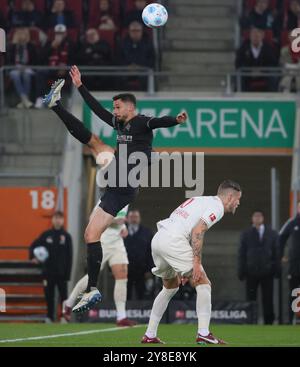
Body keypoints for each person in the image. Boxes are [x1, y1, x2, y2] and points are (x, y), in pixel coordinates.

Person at [42, 67, 187, 314]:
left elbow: (158, 123)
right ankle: (92, 288)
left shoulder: (141, 122)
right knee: (90, 234)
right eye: (115, 108)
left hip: (126, 181)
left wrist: (175, 120)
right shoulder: (118, 124)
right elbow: (97, 110)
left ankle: (56, 105)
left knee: (97, 144)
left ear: (130, 108)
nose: (114, 111)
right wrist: (79, 86)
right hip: (116, 187)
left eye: (118, 107)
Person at [141, 180, 242, 345]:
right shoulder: (217, 207)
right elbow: (198, 230)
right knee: (203, 282)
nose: (238, 203)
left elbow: (186, 225)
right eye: (238, 199)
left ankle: (149, 334)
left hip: (159, 238)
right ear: (230, 196)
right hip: (173, 240)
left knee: (170, 287)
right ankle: (203, 333)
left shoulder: (200, 199)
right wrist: (195, 263)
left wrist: (182, 265)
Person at [63, 201, 137, 326]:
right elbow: (93, 218)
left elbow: (120, 219)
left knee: (122, 277)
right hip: (103, 242)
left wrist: (123, 228)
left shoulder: (126, 199)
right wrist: (115, 221)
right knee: (92, 276)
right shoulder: (107, 198)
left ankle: (121, 317)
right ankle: (69, 303)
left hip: (117, 243)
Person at [238, 210, 280, 325]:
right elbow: (241, 253)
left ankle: (269, 322)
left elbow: (276, 252)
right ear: (252, 218)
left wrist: (277, 270)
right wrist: (241, 271)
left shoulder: (272, 233)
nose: (257, 218)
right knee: (251, 299)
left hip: (267, 272)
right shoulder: (246, 234)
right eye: (255, 216)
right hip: (251, 272)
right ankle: (251, 321)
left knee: (268, 299)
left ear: (263, 218)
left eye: (259, 216)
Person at [29, 211, 73, 322]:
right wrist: (32, 257)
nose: (58, 220)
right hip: (48, 272)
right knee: (49, 296)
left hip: (62, 273)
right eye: (56, 218)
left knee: (63, 297)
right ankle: (49, 317)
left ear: (63, 220)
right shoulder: (46, 235)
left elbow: (70, 256)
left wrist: (67, 274)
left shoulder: (66, 237)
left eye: (60, 218)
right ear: (52, 220)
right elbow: (33, 246)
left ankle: (64, 317)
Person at [35, 24, 74, 108]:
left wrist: (66, 67)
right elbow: (40, 58)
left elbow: (75, 57)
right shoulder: (49, 43)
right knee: (40, 72)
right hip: (51, 68)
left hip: (66, 69)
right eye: (58, 33)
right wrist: (51, 47)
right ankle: (39, 98)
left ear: (65, 33)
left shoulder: (70, 43)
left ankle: (71, 99)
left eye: (62, 33)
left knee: (74, 74)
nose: (60, 35)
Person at [235, 26, 278, 91]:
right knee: (238, 76)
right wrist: (250, 71)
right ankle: (241, 97)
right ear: (250, 36)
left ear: (262, 36)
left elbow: (273, 63)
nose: (255, 37)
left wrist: (262, 71)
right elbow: (238, 63)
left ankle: (272, 98)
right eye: (253, 35)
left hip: (264, 74)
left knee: (273, 75)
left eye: (257, 36)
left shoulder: (268, 48)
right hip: (247, 74)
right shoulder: (244, 47)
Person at [124, 209, 154, 300]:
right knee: (125, 294)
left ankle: (140, 313)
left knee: (141, 294)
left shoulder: (147, 233)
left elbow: (151, 252)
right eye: (131, 217)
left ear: (139, 219)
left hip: (142, 270)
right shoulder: (121, 232)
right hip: (125, 269)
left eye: (136, 217)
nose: (133, 219)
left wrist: (150, 269)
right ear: (127, 219)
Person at [117, 21, 155, 90]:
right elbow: (119, 59)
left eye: (137, 31)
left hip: (143, 70)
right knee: (118, 77)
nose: (135, 33)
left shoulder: (148, 43)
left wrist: (140, 67)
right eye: (133, 31)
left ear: (141, 31)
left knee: (147, 78)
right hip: (126, 69)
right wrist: (128, 67)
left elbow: (152, 60)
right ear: (129, 31)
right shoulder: (123, 43)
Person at [279, 201, 300, 324]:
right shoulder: (292, 223)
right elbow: (281, 237)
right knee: (293, 292)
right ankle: (291, 320)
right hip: (295, 265)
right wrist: (281, 255)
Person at [7, 27, 38, 108]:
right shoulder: (12, 46)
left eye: (23, 34)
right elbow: (8, 60)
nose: (21, 36)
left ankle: (24, 100)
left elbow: (35, 60)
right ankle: (25, 99)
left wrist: (27, 66)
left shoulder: (31, 46)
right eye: (19, 34)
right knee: (15, 75)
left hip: (28, 67)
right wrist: (14, 44)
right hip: (15, 67)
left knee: (26, 75)